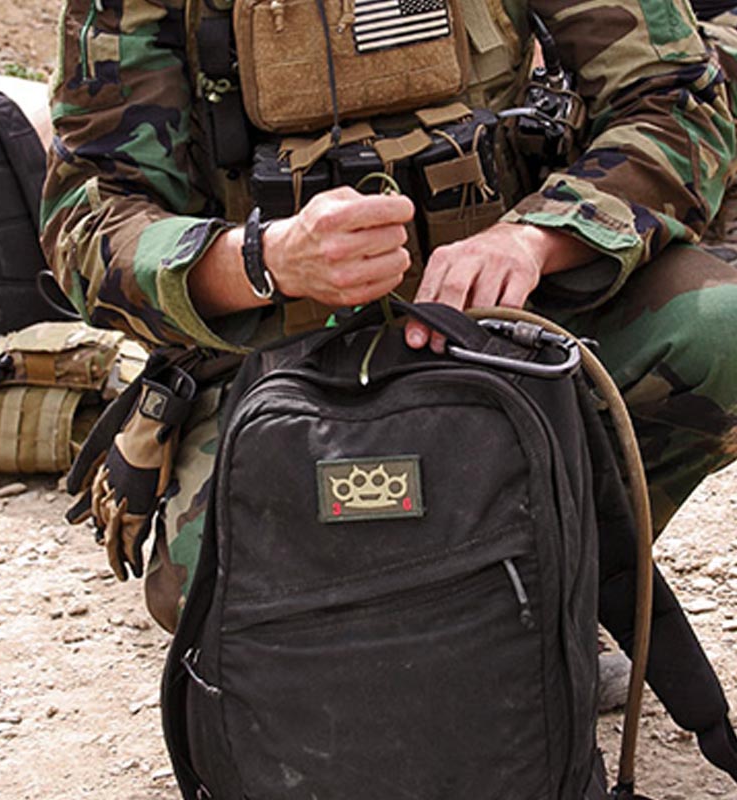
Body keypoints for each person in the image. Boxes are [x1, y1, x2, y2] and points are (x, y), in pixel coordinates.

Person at [42, 0, 737, 636]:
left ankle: (553, 588)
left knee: (723, 327)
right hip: (277, 361)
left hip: (517, 327)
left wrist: (534, 238)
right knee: (219, 596)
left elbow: (679, 99)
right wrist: (261, 259)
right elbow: (91, 211)